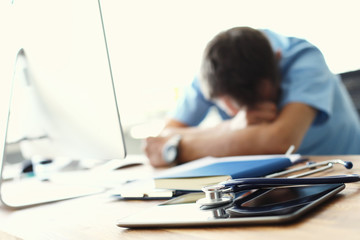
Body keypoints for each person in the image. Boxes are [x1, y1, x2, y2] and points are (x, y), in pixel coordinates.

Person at [144, 26, 360, 168]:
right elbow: (166, 134)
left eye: (260, 101)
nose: (255, 118)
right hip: (279, 178)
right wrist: (230, 127)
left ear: (277, 61)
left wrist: (179, 149)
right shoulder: (210, 74)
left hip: (345, 167)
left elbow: (279, 141)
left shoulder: (304, 58)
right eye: (236, 111)